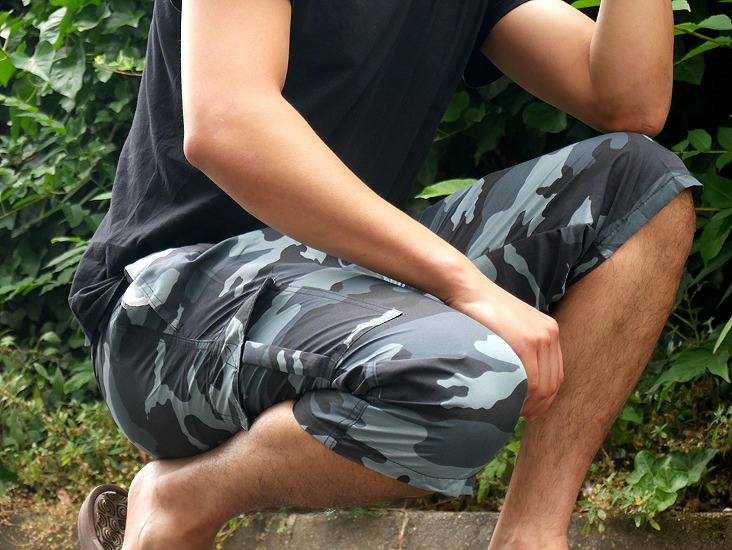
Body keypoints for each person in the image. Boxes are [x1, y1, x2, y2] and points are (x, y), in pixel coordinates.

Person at [70, 0, 701, 548]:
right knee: (465, 380)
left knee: (642, 188)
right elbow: (228, 125)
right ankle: (181, 499)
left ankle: (531, 537)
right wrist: (464, 284)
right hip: (169, 306)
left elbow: (626, 100)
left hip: (348, 276)